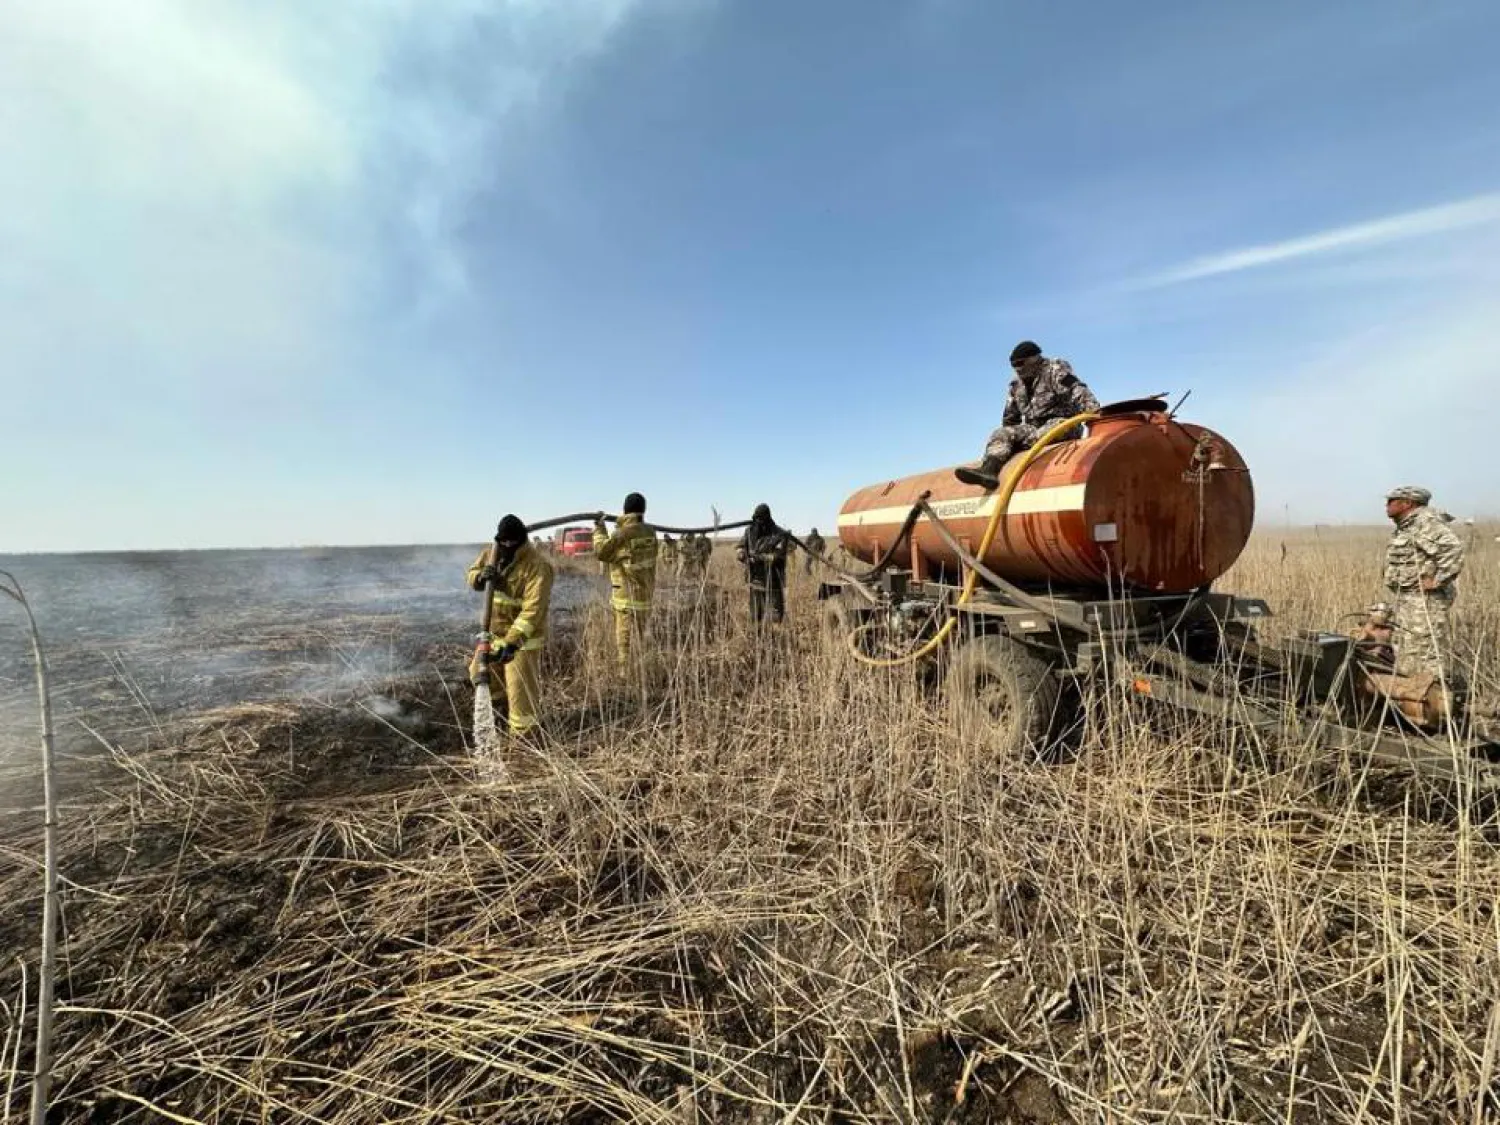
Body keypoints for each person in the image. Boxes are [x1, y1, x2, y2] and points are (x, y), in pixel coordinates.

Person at [955, 340, 1101, 490]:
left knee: (1050, 428)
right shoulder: (1016, 385)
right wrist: (1010, 442)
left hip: (1063, 424)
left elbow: (1077, 390)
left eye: (1020, 363)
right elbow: (1010, 418)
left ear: (1035, 359)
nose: (1017, 369)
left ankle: (1026, 444)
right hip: (1034, 428)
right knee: (1001, 433)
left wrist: (1095, 414)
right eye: (1014, 365)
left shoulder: (1055, 370)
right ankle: (989, 472)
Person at [465, 514, 554, 737]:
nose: (506, 547)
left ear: (521, 540)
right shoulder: (491, 552)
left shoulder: (538, 567)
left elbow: (532, 612)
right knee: (479, 672)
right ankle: (498, 717)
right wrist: (480, 577)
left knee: (520, 696)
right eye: (502, 542)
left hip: (522, 641)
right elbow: (472, 572)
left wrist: (512, 643)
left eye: (511, 543)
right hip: (494, 635)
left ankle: (524, 742)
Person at [1382, 485, 1465, 681]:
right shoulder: (1408, 525)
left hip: (1425, 600)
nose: (1386, 505)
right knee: (1408, 648)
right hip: (1409, 599)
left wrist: (1437, 580)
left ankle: (1434, 699)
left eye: (1391, 501)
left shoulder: (1425, 523)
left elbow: (1453, 550)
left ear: (1408, 503)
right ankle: (1411, 695)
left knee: (1425, 650)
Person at [593, 492, 659, 672]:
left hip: (626, 600)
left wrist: (599, 529)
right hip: (645, 597)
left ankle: (625, 677)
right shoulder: (651, 532)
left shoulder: (622, 534)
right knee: (641, 638)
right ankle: (644, 671)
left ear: (624, 509)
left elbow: (601, 552)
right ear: (643, 510)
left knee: (625, 643)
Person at [737, 503, 789, 624]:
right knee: (755, 615)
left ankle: (774, 639)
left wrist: (759, 558)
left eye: (761, 519)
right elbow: (740, 546)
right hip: (755, 580)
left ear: (767, 518)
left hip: (773, 581)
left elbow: (778, 556)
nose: (759, 522)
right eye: (757, 519)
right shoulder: (750, 531)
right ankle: (757, 637)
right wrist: (741, 554)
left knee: (774, 617)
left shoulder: (779, 534)